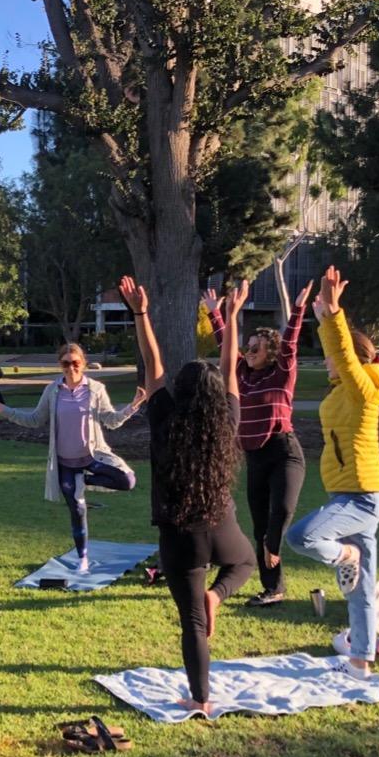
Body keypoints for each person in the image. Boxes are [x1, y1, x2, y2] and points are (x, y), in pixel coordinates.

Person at [119, 274, 256, 715]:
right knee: (247, 561)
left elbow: (151, 362)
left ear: (180, 390)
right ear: (217, 397)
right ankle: (217, 594)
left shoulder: (164, 416)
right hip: (222, 526)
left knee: (192, 623)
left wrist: (141, 312)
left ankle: (200, 699)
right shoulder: (226, 418)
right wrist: (231, 316)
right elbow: (231, 365)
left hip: (180, 537)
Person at [285, 266, 379, 679]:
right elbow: (341, 357)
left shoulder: (362, 385)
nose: (327, 365)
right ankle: (361, 661)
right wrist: (324, 319)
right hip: (348, 495)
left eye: (332, 359)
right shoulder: (345, 391)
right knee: (361, 588)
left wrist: (332, 315)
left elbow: (345, 356)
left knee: (302, 536)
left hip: (363, 495)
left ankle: (344, 555)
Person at [0, 342, 145, 574]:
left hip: (91, 457)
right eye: (66, 363)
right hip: (65, 463)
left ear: (84, 364)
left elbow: (111, 420)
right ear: (60, 365)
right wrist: (5, 411)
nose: (71, 368)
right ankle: (83, 559)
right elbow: (35, 420)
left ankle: (86, 481)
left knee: (127, 480)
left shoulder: (96, 389)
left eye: (76, 363)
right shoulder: (52, 390)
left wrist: (133, 406)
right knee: (77, 510)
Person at [203, 279, 314, 606]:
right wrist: (216, 314)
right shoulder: (242, 374)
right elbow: (226, 346)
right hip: (254, 458)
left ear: (270, 353)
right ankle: (273, 589)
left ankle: (273, 546)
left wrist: (297, 310)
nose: (248, 352)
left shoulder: (281, 375)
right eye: (247, 347)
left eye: (255, 348)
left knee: (280, 513)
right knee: (260, 526)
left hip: (284, 453)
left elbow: (291, 344)